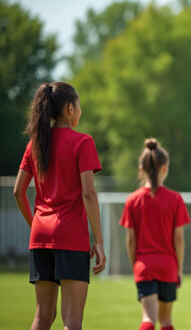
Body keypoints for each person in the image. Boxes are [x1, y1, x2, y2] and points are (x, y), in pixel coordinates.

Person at [13, 82, 106, 330]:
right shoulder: (83, 142)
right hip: (70, 237)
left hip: (40, 237)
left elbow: (17, 191)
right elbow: (89, 194)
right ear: (69, 108)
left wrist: (36, 225)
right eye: (79, 106)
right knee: (72, 320)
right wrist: (99, 241)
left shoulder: (34, 145)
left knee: (42, 317)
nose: (80, 111)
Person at [119, 138, 191, 330]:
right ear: (165, 169)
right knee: (166, 321)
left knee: (148, 319)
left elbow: (130, 239)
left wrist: (136, 264)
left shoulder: (132, 200)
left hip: (144, 267)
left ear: (141, 169)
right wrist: (178, 269)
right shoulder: (175, 199)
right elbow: (179, 239)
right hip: (168, 266)